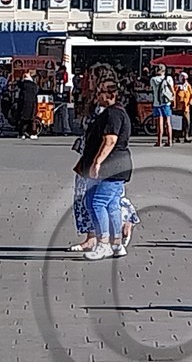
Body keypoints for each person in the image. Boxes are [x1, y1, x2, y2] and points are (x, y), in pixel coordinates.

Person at [74, 75, 135, 261]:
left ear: (110, 94)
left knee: (97, 202)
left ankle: (104, 244)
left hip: (111, 166)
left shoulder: (113, 113)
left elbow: (110, 139)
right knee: (109, 204)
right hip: (119, 165)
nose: (97, 95)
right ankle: (116, 244)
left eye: (100, 92)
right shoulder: (114, 112)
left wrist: (97, 162)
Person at [150, 67, 175, 148]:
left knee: (159, 122)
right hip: (166, 102)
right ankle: (169, 141)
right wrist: (173, 100)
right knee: (168, 122)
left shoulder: (153, 79)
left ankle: (159, 141)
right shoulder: (169, 78)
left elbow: (152, 89)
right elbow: (172, 90)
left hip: (157, 103)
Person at [174, 73, 192, 143]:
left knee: (187, 122)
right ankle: (177, 137)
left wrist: (191, 101)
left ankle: (186, 136)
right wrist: (174, 105)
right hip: (178, 107)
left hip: (186, 107)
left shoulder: (188, 86)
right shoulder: (177, 86)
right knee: (178, 123)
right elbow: (174, 96)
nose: (184, 80)